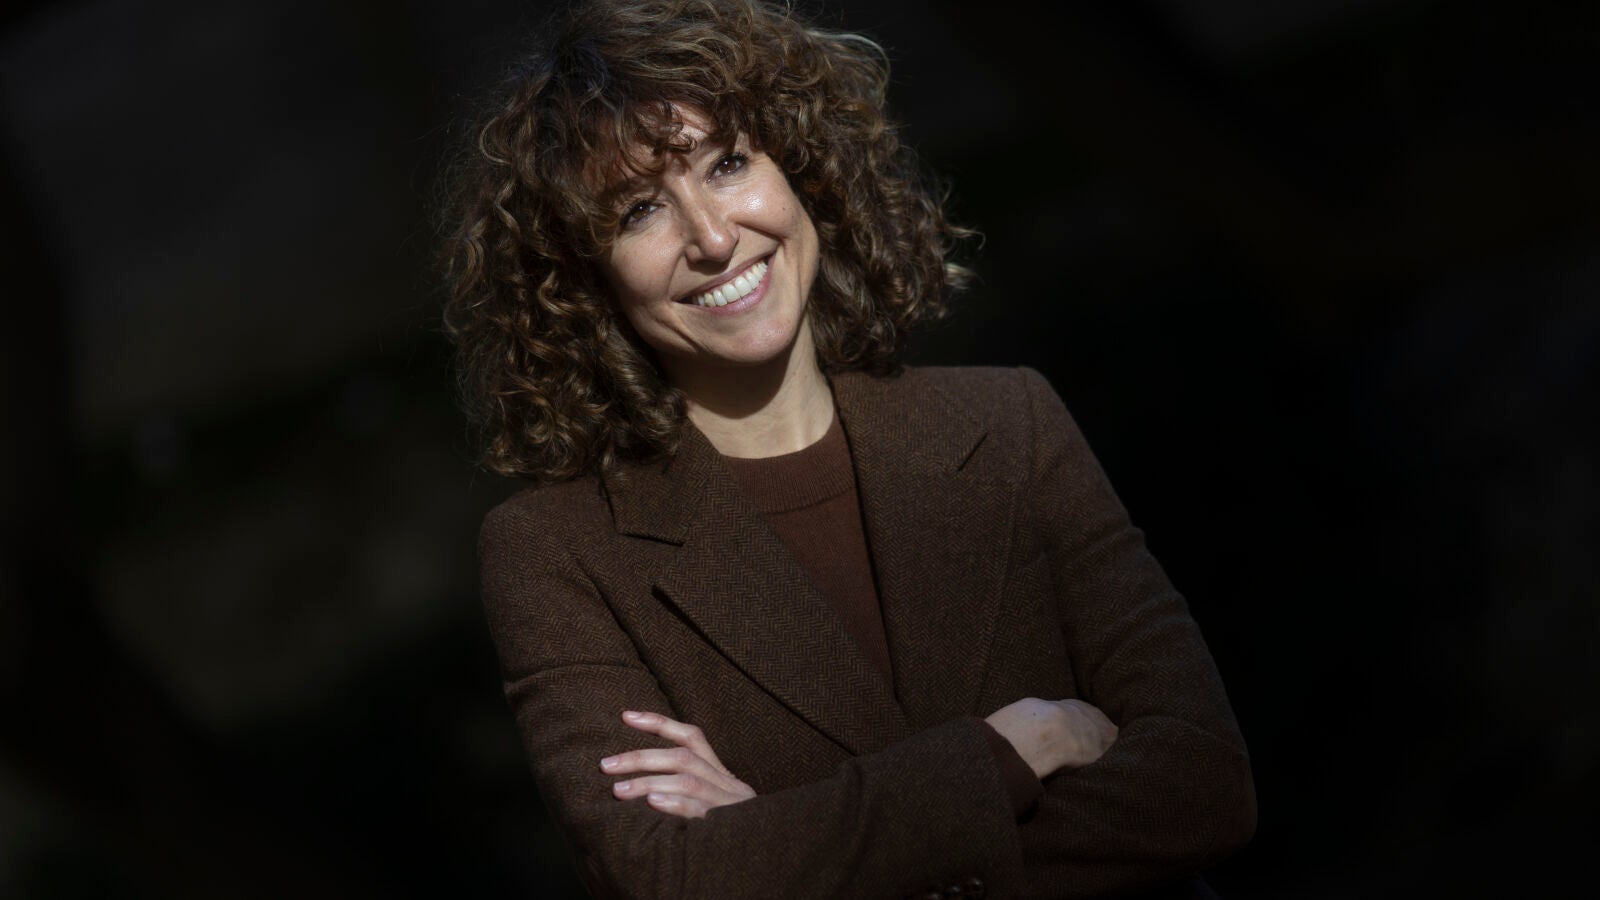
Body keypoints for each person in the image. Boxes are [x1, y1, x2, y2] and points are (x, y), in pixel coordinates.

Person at [442, 0, 1255, 896]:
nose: (712, 237)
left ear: (799, 166)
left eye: (728, 164)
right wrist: (1008, 754)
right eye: (639, 211)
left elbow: (1203, 788)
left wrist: (789, 845)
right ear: (580, 282)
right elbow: (667, 878)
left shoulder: (1012, 422)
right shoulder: (556, 553)